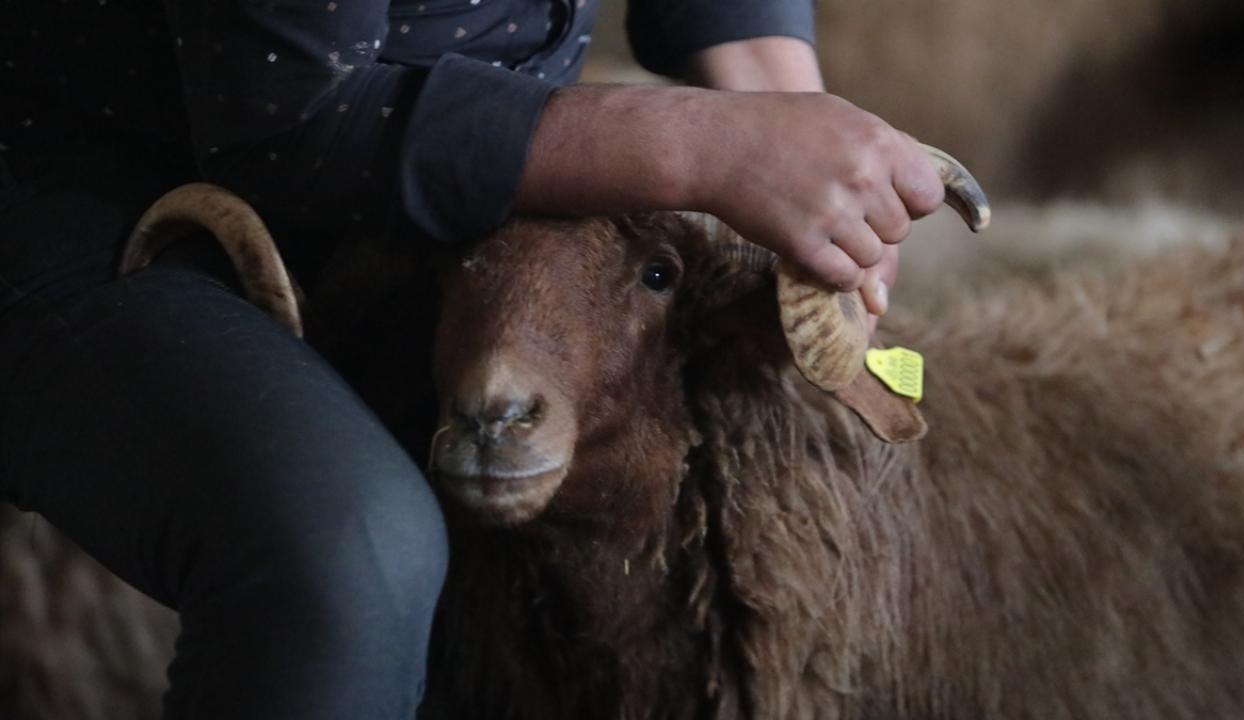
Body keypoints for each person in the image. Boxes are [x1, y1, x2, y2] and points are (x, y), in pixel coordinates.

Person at [0, 1, 943, 718]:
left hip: (451, 206)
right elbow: (288, 117)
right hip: (99, 190)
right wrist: (711, 145)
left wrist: (789, 109)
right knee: (348, 555)